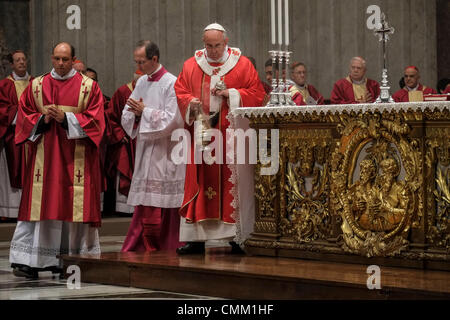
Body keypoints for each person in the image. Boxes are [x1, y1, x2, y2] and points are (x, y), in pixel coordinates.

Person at [9, 42, 105, 279]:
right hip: (45, 159)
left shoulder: (88, 87)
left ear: (74, 60)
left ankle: (72, 259)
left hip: (76, 159)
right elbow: (22, 116)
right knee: (41, 205)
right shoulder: (37, 85)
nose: (61, 64)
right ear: (52, 58)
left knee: (72, 207)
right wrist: (42, 120)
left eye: (65, 60)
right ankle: (32, 260)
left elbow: (96, 121)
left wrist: (66, 119)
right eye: (57, 59)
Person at [174, 23, 265, 254]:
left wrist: (231, 94)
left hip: (231, 137)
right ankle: (195, 240)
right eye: (208, 46)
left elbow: (257, 94)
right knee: (200, 182)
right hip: (203, 135)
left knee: (231, 183)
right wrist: (191, 104)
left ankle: (235, 237)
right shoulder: (191, 65)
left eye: (217, 46)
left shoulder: (242, 65)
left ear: (226, 42)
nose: (212, 51)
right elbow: (181, 91)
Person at [120, 40, 186, 252]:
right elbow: (127, 113)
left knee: (168, 202)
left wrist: (144, 112)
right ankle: (140, 244)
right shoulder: (141, 82)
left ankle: (171, 243)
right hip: (146, 148)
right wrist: (136, 114)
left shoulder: (171, 83)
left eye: (142, 61)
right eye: (136, 61)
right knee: (145, 203)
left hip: (166, 151)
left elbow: (174, 120)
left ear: (154, 59)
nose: (139, 66)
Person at [104, 70, 143, 216]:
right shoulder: (122, 92)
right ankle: (125, 208)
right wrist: (119, 134)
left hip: (147, 139)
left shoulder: (154, 90)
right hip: (128, 141)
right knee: (125, 165)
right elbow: (111, 116)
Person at [0, 50, 32, 219]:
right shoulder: (4, 85)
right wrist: (18, 114)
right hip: (12, 136)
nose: (21, 62)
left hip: (34, 137)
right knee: (11, 172)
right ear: (11, 65)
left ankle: (32, 207)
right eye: (17, 60)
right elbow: (2, 110)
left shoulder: (36, 83)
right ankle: (10, 210)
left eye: (23, 59)